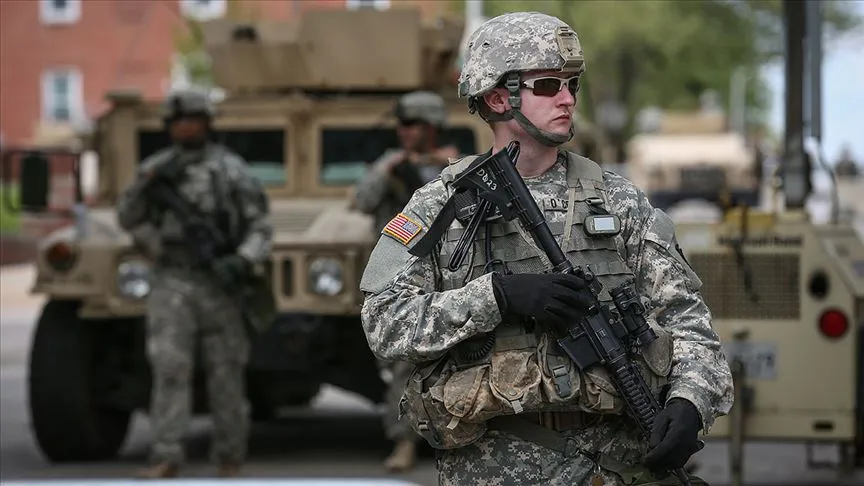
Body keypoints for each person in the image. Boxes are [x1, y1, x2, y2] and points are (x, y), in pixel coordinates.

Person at [359, 12, 733, 485]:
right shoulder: (441, 204)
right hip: (498, 466)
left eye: (572, 84)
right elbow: (383, 323)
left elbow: (688, 321)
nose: (567, 98)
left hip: (620, 463)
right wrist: (496, 297)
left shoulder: (616, 200)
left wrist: (689, 401)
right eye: (548, 85)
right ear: (499, 96)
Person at [117, 89, 272, 479]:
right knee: (170, 369)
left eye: (193, 119)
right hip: (173, 278)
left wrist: (241, 261)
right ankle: (166, 453)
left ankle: (230, 455)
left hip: (221, 283)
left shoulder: (231, 170)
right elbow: (128, 216)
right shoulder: (156, 170)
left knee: (226, 373)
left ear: (207, 123)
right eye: (178, 120)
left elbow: (260, 226)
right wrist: (153, 238)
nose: (185, 127)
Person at [353, 90, 460, 472]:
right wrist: (387, 171)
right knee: (403, 366)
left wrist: (445, 163)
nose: (405, 132)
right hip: (404, 275)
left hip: (452, 275)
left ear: (432, 126)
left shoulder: (455, 163)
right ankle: (403, 443)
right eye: (402, 125)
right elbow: (362, 202)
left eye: (413, 124)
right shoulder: (390, 164)